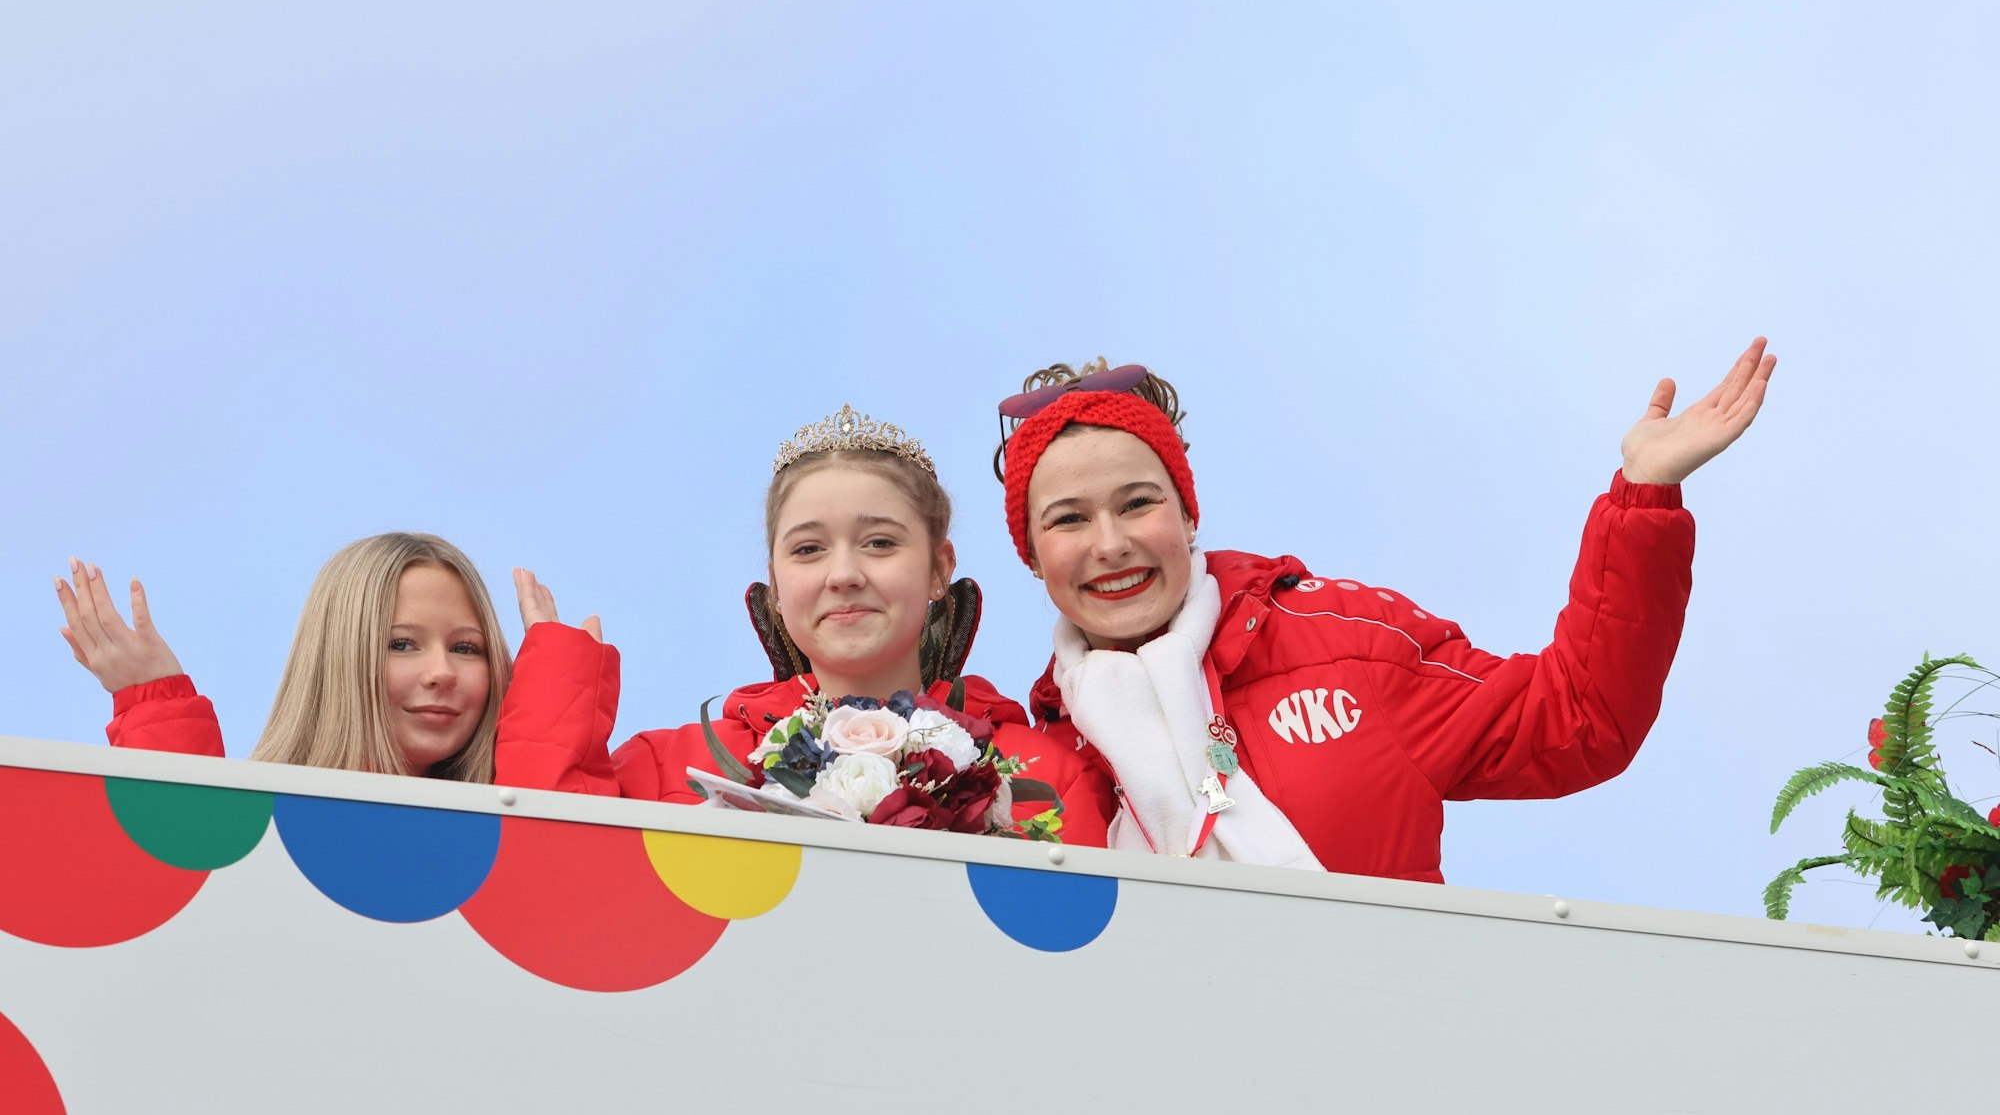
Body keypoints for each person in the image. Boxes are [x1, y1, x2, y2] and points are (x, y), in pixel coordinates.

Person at [994, 343, 1776, 879]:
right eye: (1067, 519)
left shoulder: (1345, 645)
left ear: (1188, 514)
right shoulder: (1032, 761)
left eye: (1139, 503)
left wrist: (1642, 495)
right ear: (1031, 553)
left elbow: (1578, 717)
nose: (1111, 543)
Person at [496, 405, 1107, 841]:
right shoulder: (672, 766)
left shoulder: (1046, 772)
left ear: (938, 569)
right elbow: (550, 865)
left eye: (879, 543)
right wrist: (557, 684)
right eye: (809, 550)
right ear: (777, 585)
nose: (842, 574)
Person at [54, 533, 511, 781]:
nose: (441, 672)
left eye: (466, 648)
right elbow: (189, 870)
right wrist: (154, 704)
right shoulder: (265, 824)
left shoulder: (513, 821)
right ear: (336, 659)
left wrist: (561, 684)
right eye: (401, 644)